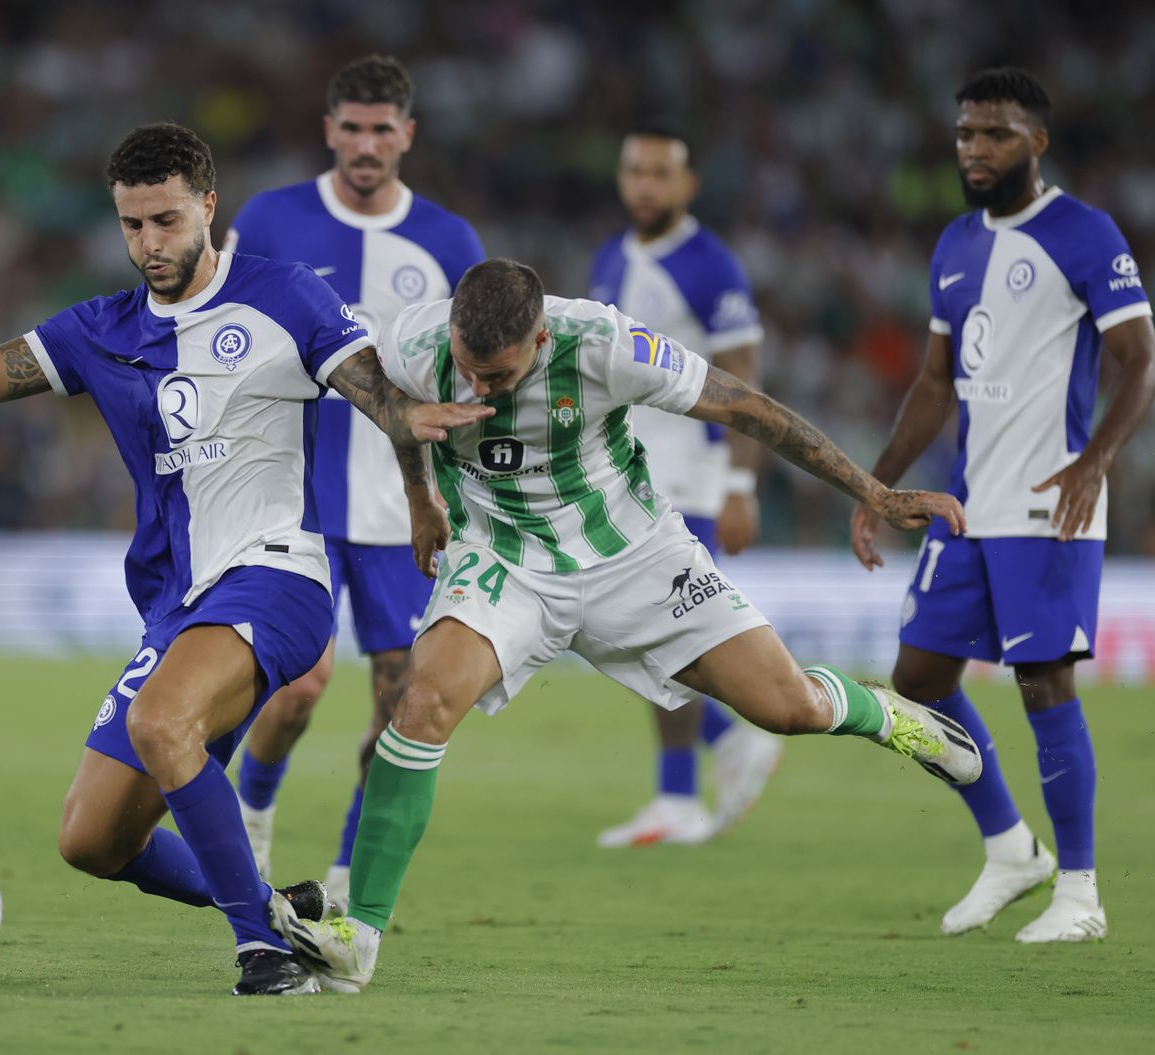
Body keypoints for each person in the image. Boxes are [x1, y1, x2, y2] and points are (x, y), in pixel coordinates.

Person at [0, 123, 489, 995]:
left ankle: (261, 953)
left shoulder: (286, 295)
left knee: (163, 724)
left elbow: (372, 388)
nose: (149, 244)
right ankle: (280, 909)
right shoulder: (100, 328)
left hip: (279, 574)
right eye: (131, 225)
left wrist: (418, 474)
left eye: (164, 220)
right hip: (178, 605)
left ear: (207, 205)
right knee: (91, 839)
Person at [273, 259, 984, 993]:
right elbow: (395, 408)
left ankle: (892, 717)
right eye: (471, 370)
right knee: (420, 704)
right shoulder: (418, 342)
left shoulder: (604, 343)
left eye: (501, 375)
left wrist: (874, 491)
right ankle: (358, 936)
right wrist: (421, 498)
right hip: (504, 558)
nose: (481, 388)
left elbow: (750, 409)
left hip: (634, 554)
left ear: (542, 338)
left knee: (788, 707)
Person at [850, 68, 1154, 943]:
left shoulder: (1084, 233)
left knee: (1043, 680)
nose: (975, 149)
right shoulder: (954, 242)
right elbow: (935, 384)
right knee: (917, 682)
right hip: (970, 506)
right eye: (965, 135)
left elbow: (1141, 360)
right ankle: (1011, 846)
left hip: (1048, 501)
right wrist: (874, 482)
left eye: (995, 134)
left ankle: (1083, 893)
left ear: (1037, 143)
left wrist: (1096, 461)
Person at [223, 54, 485, 908]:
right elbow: (222, 332)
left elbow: (475, 374)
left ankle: (343, 872)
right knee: (298, 684)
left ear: (407, 134)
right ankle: (253, 811)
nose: (366, 143)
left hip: (406, 507)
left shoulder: (451, 244)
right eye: (352, 127)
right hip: (295, 493)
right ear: (328, 129)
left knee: (398, 696)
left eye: (383, 129)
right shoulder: (269, 219)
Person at [588, 122, 782, 846]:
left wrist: (741, 484)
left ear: (687, 184)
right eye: (634, 171)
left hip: (692, 483)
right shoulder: (612, 256)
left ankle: (695, 775)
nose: (644, 185)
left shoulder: (710, 265)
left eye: (659, 173)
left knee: (668, 628)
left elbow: (745, 385)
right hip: (628, 477)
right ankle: (721, 747)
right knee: (624, 627)